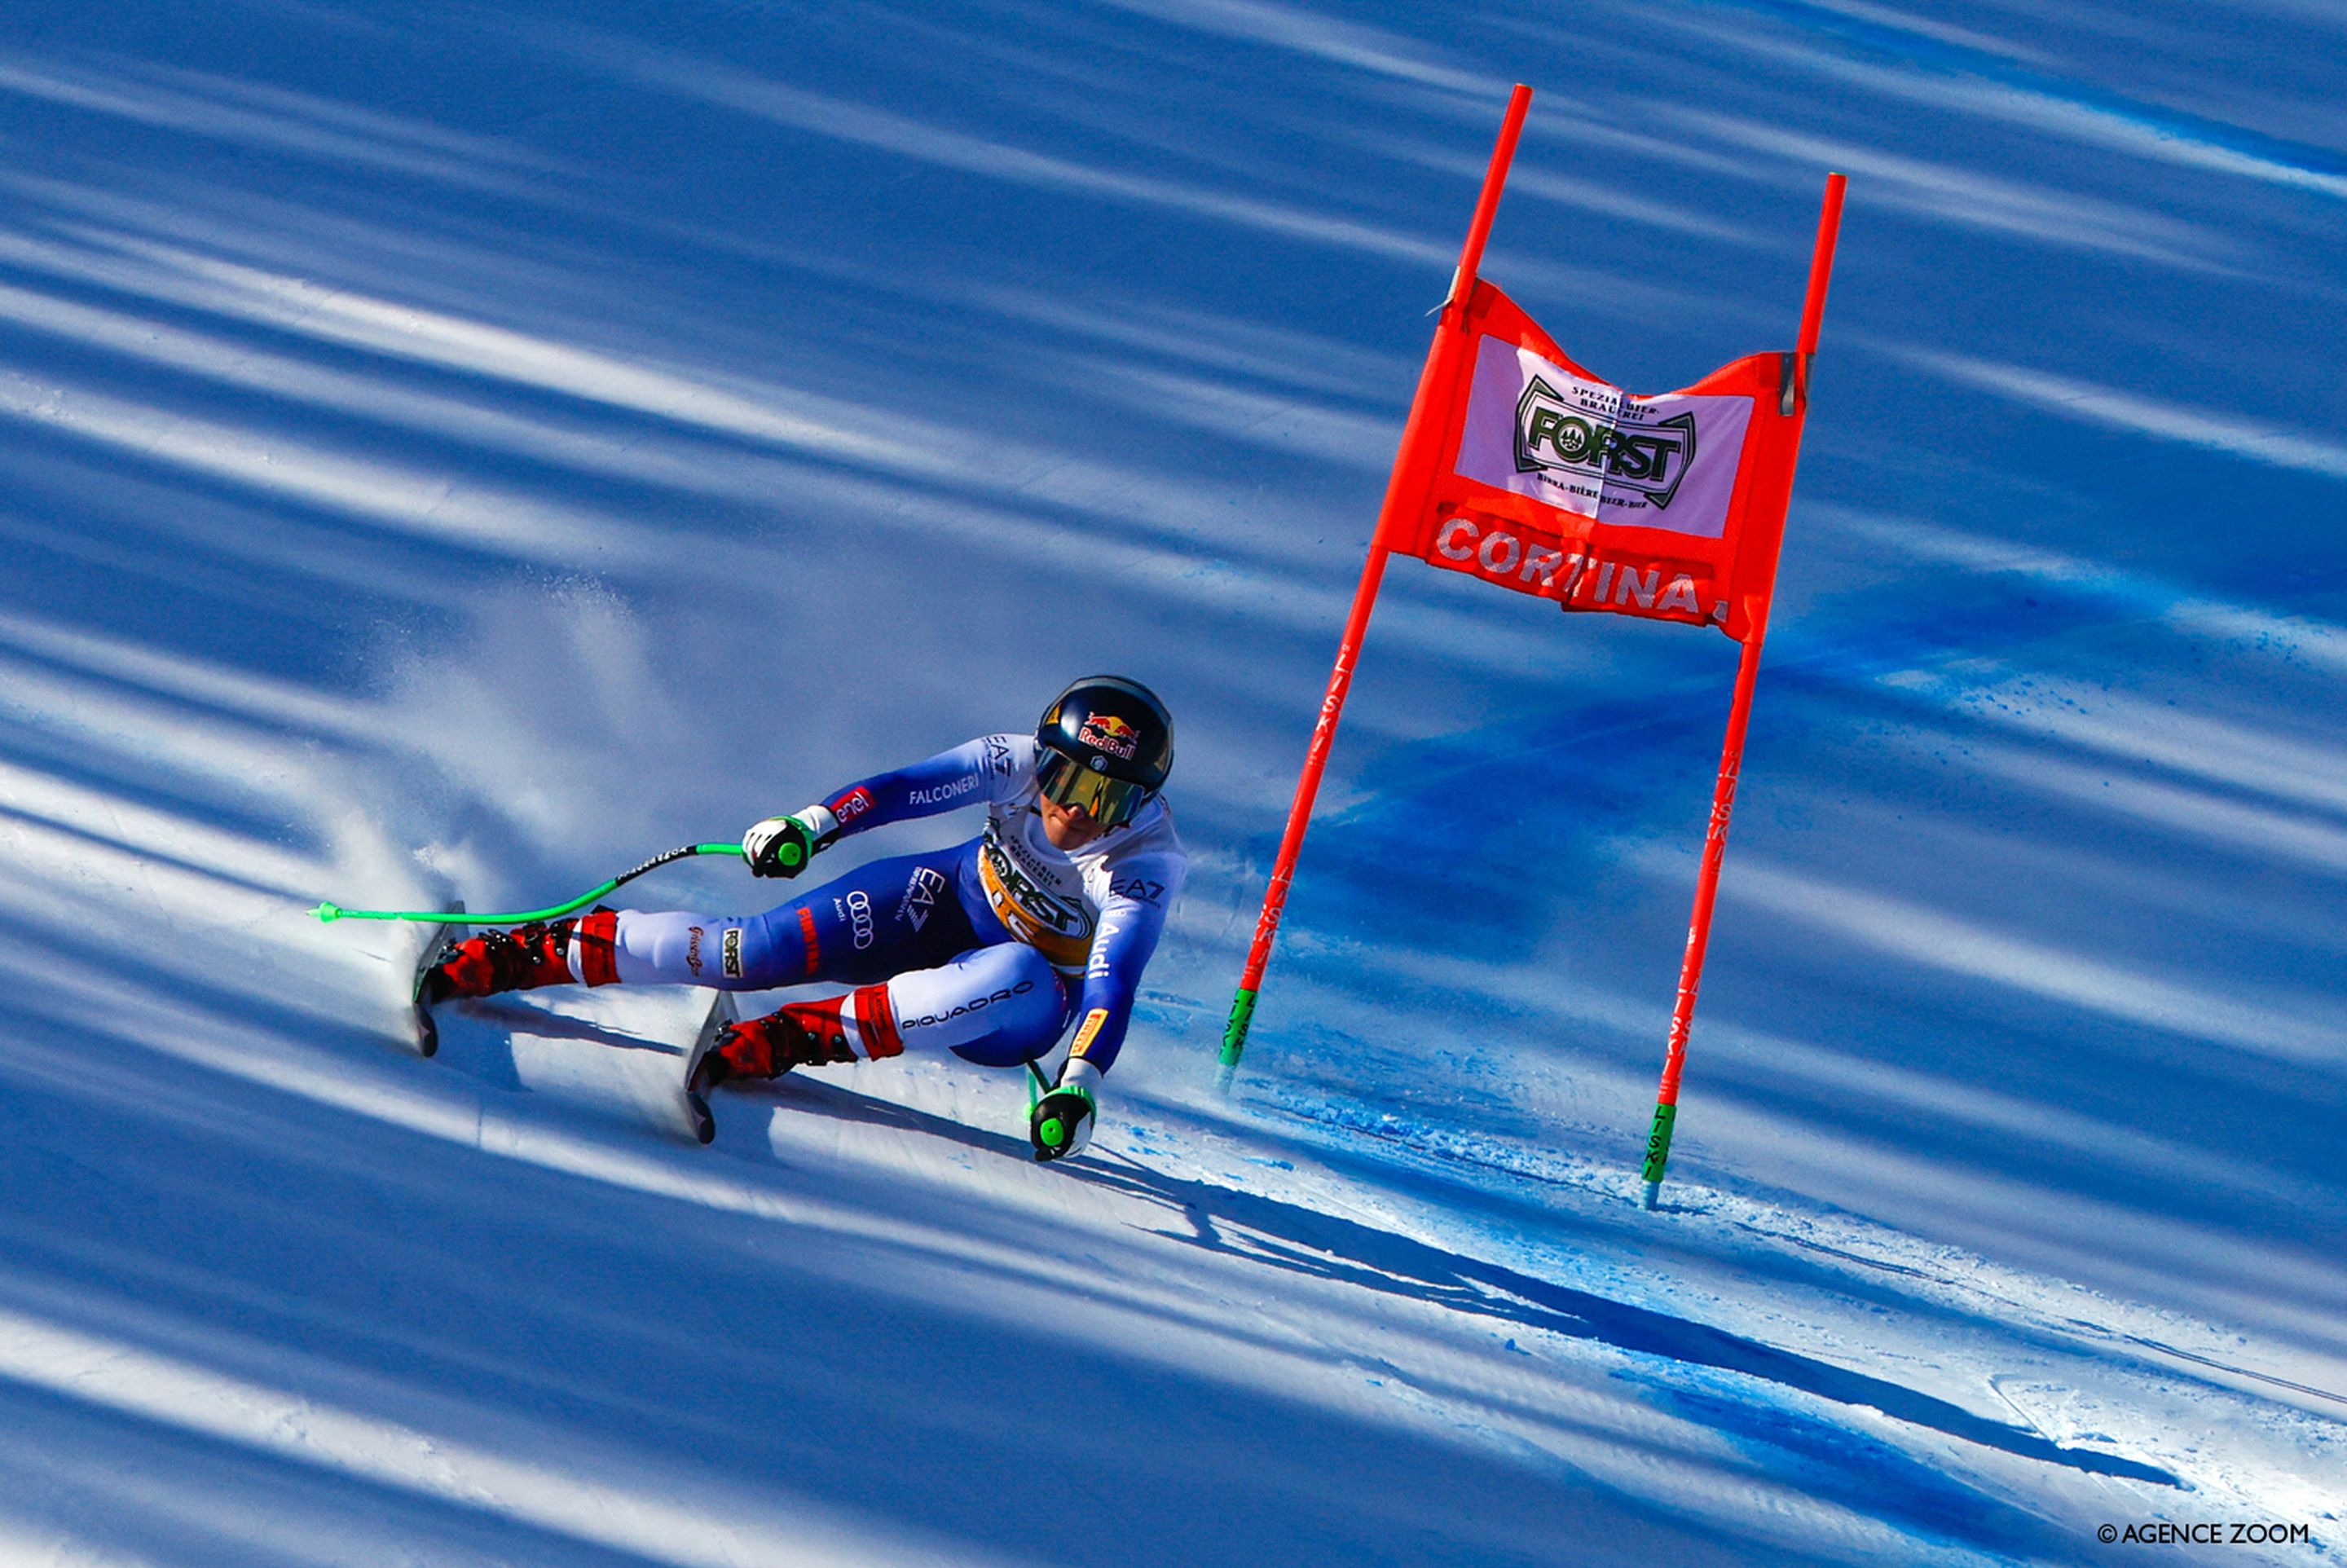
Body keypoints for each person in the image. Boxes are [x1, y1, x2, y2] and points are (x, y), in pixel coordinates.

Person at [420, 676, 1185, 1161]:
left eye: (1106, 799)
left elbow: (1111, 984)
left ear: (1141, 804)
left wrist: (1077, 1083)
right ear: (1042, 755)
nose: (1073, 809)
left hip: (1021, 1007)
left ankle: (784, 1040)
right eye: (1064, 777)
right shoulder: (1011, 759)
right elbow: (902, 790)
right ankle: (523, 955)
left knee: (1017, 971)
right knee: (756, 950)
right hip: (944, 897)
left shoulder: (1143, 867)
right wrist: (811, 825)